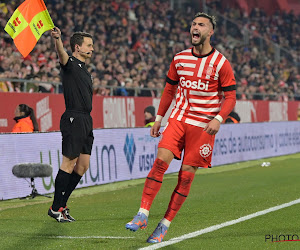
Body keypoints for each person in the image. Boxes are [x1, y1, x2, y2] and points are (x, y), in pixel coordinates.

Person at [125, 12, 236, 243]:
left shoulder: (221, 63)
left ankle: (164, 224)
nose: (195, 28)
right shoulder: (179, 58)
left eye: (201, 25)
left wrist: (218, 118)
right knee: (160, 162)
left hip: (203, 127)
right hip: (178, 119)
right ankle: (143, 213)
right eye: (193, 24)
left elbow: (231, 98)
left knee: (185, 177)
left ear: (210, 32)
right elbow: (169, 90)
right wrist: (158, 118)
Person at [48, 27, 94, 223]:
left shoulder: (85, 69)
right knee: (68, 163)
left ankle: (62, 204)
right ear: (78, 47)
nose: (92, 48)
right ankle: (55, 207)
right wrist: (57, 40)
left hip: (86, 119)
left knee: (82, 166)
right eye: (89, 45)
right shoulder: (70, 63)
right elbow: (61, 55)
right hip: (73, 118)